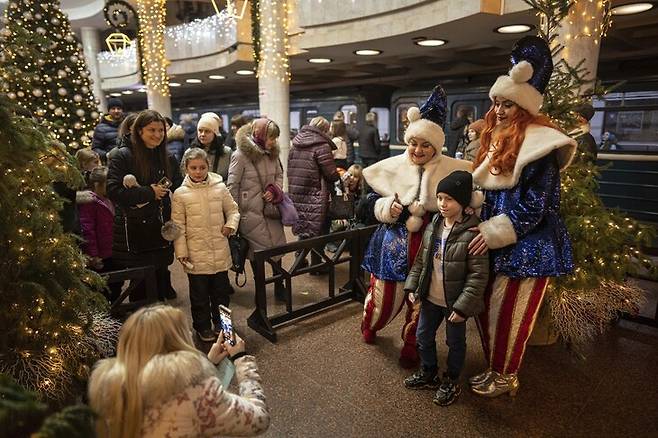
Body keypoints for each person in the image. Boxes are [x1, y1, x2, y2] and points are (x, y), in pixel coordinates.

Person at [468, 36, 576, 397]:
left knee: (511, 315)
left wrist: (499, 230)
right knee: (490, 310)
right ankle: (495, 368)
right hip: (496, 241)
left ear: (524, 107)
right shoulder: (498, 141)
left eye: (508, 105)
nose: (499, 111)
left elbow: (538, 203)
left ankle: (506, 375)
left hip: (528, 245)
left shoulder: (541, 146)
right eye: (496, 103)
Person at [359, 85, 475, 368]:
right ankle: (370, 325)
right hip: (392, 245)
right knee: (383, 302)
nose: (418, 150)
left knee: (421, 303)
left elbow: (470, 201)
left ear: (436, 147)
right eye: (414, 143)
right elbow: (365, 206)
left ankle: (412, 346)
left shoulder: (453, 170)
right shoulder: (390, 166)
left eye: (425, 145)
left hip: (431, 246)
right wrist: (386, 207)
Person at [88, 305, 270, 438]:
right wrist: (241, 359)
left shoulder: (108, 390)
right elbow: (258, 420)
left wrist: (208, 364)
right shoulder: (194, 393)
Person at [403, 170, 489, 406]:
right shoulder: (434, 225)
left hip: (454, 303)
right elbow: (421, 260)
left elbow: (478, 275)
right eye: (439, 197)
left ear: (462, 201)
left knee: (455, 343)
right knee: (422, 336)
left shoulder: (473, 232)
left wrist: (463, 307)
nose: (442, 203)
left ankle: (451, 379)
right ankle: (428, 371)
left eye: (448, 199)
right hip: (431, 298)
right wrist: (413, 286)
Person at [107, 109, 183, 302]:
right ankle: (143, 331)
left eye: (161, 130)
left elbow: (180, 186)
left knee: (159, 285)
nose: (157, 135)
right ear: (139, 131)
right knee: (140, 292)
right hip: (134, 234)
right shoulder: (122, 155)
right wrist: (150, 192)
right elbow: (114, 191)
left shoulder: (168, 157)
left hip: (160, 231)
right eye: (152, 130)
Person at [172, 148, 240, 342]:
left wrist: (230, 225)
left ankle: (224, 325)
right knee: (199, 296)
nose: (198, 171)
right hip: (196, 254)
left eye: (202, 167)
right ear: (186, 168)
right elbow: (178, 227)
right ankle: (202, 326)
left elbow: (233, 211)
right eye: (193, 168)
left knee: (222, 294)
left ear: (208, 167)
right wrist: (182, 252)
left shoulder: (220, 187)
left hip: (219, 250)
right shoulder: (180, 194)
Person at [228, 118, 287, 300]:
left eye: (275, 138)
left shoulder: (273, 154)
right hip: (250, 214)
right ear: (258, 134)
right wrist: (235, 214)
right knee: (257, 254)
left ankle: (279, 284)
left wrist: (274, 189)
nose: (273, 141)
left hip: (270, 210)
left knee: (277, 248)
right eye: (271, 137)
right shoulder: (240, 156)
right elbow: (232, 186)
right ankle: (260, 289)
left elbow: (279, 175)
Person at [288, 116, 340, 271]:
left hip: (298, 191)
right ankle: (317, 265)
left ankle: (299, 260)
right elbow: (331, 174)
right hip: (316, 194)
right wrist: (338, 175)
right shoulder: (322, 146)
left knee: (304, 225)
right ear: (324, 130)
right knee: (321, 229)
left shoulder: (295, 144)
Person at [78, 166, 122, 302]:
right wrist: (93, 255)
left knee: (117, 283)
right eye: (108, 185)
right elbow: (88, 230)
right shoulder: (90, 203)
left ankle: (115, 306)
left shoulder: (111, 199)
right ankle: (107, 312)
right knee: (104, 286)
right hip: (102, 254)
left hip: (115, 249)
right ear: (98, 184)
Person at [190, 112, 232, 181]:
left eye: (207, 131)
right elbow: (184, 176)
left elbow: (231, 178)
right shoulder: (190, 152)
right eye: (200, 131)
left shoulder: (227, 152)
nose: (202, 134)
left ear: (215, 133)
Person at [92, 97, 124, 163]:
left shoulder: (127, 124)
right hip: (111, 164)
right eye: (113, 108)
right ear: (109, 111)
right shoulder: (101, 128)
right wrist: (107, 155)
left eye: (119, 108)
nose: (116, 111)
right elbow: (95, 148)